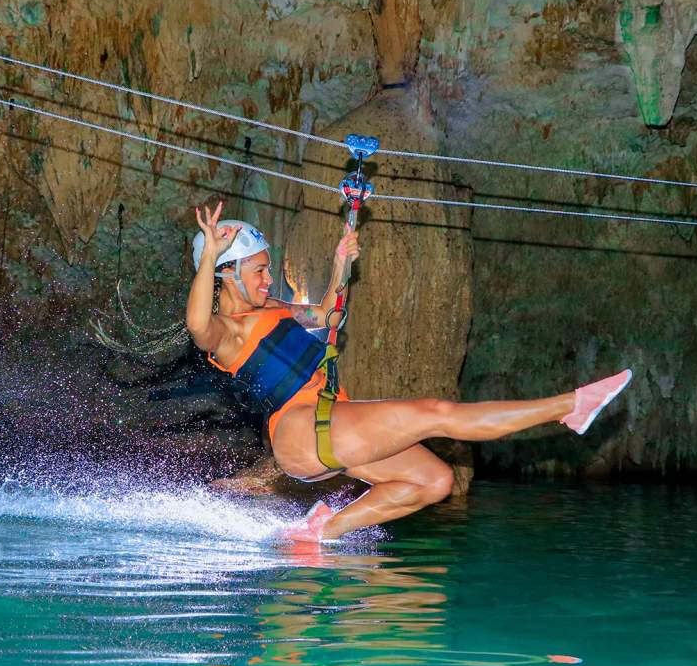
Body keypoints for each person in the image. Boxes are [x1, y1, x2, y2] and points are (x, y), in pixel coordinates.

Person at [186, 202, 632, 544]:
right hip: (302, 431)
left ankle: (321, 532)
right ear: (227, 274)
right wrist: (210, 255)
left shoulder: (276, 309)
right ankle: (568, 408)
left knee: (434, 481)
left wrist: (342, 266)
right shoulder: (227, 333)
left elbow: (326, 313)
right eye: (260, 269)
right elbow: (198, 326)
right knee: (436, 412)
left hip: (329, 423)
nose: (267, 279)